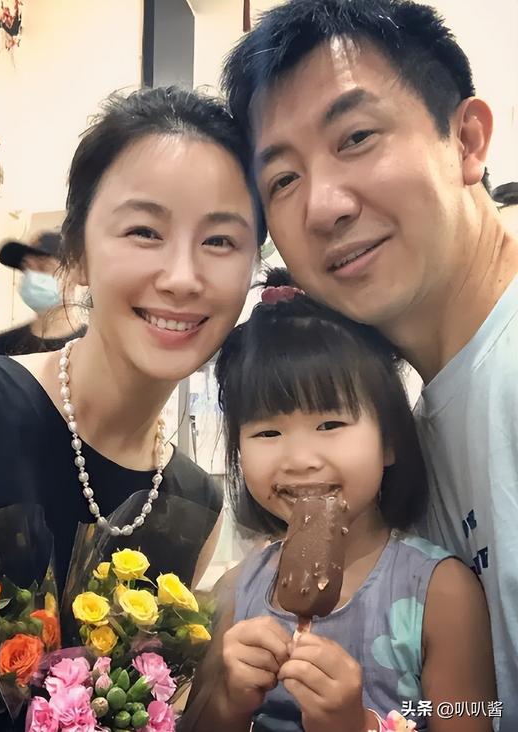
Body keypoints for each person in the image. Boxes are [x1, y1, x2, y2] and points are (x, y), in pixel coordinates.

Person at [0, 86, 265, 729]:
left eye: (221, 241)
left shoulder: (194, 506)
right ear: (78, 254)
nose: (182, 276)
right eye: (144, 231)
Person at [222, 0, 518, 724]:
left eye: (356, 137)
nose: (323, 206)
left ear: (467, 140)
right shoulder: (421, 421)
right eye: (282, 180)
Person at [186, 270, 495, 732]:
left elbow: (470, 717)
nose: (300, 459)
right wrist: (226, 702)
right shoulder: (236, 591)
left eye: (330, 425)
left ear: (389, 439)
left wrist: (357, 725)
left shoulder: (441, 593)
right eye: (268, 432)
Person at [0, 231, 87, 356]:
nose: (32, 276)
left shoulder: (94, 344)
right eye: (26, 267)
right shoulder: (1, 347)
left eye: (43, 266)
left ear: (74, 275)